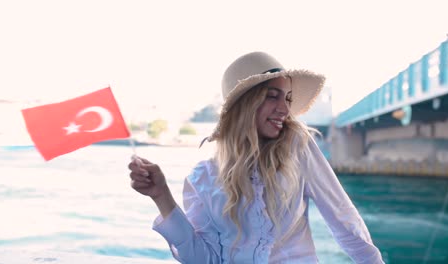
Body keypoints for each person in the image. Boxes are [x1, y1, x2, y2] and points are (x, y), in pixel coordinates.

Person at [128, 51, 384, 263]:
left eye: (287, 98)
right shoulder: (203, 178)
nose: (284, 108)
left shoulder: (297, 146)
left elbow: (344, 219)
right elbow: (203, 259)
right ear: (245, 105)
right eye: (272, 96)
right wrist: (161, 196)